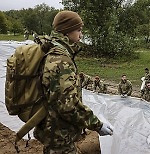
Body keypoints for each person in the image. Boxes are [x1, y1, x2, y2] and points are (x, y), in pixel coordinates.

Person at [33, 10, 113, 154]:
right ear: (67, 31)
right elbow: (67, 105)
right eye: (78, 30)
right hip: (59, 137)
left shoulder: (52, 52)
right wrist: (97, 125)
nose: (81, 35)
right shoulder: (61, 60)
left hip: (53, 131)